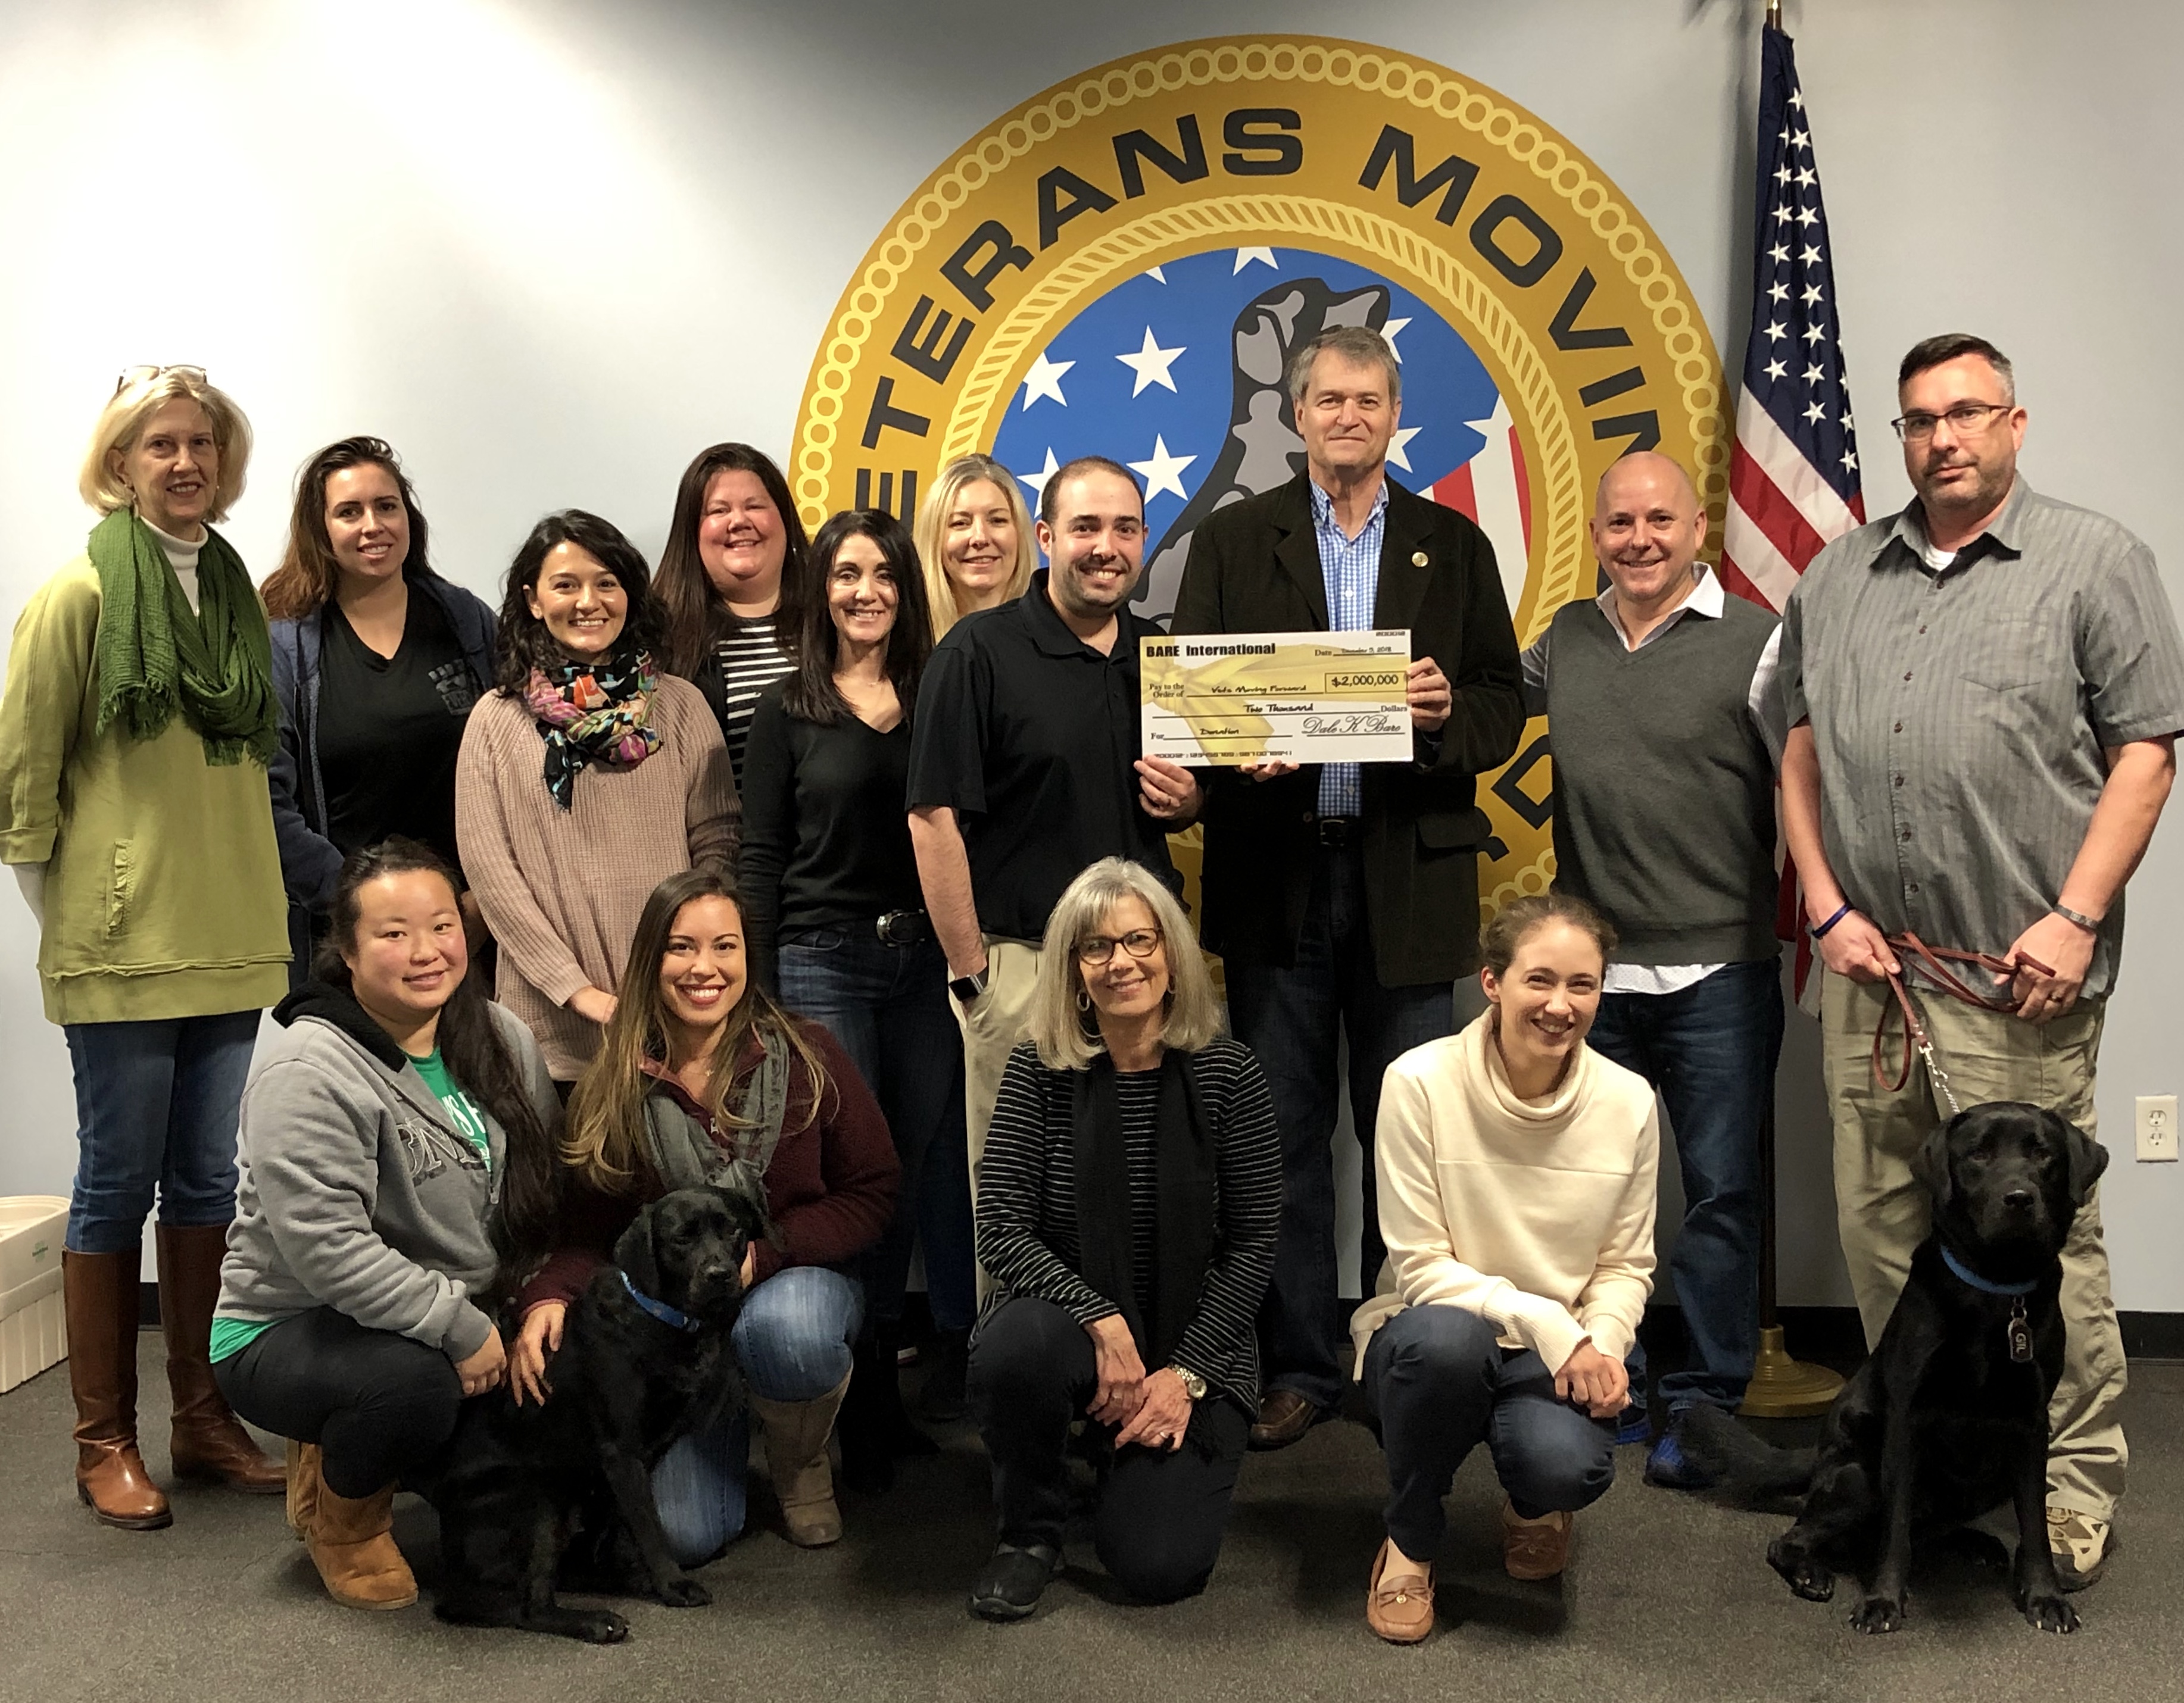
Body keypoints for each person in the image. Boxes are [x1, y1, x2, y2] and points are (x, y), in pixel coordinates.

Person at [1780, 332, 2184, 1592]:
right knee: (1885, 1236)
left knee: (2043, 1243)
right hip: (1870, 976)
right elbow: (1797, 746)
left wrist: (2075, 914)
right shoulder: (1838, 573)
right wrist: (1822, 903)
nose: (1940, 437)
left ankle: (2068, 1488)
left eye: (1964, 412)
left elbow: (2147, 750)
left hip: (2017, 982)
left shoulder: (2094, 561)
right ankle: (1929, 1474)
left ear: (2013, 422)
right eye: (1917, 419)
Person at [1170, 324, 1525, 1449]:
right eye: (1328, 399)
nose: (1348, 417)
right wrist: (1239, 753)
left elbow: (1502, 705)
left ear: (1394, 414)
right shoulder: (1233, 541)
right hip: (1277, 876)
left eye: (1368, 400)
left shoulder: (1451, 545)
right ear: (1297, 412)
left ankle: (1397, 1355)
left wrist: (1441, 716)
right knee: (1278, 1135)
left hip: (1406, 880)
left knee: (1407, 1137)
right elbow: (1197, 707)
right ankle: (1299, 1364)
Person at [0, 365, 289, 1528]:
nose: (184, 462)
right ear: (119, 462)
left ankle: (203, 1417)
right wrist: (76, 915)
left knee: (210, 1180)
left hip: (231, 929)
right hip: (121, 943)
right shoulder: (78, 595)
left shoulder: (235, 598)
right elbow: (24, 782)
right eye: (160, 444)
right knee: (116, 1183)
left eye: (201, 443)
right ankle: (102, 1438)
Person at [1520, 451, 1786, 1480]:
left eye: (1659, 520)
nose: (1639, 540)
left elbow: (1813, 781)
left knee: (1720, 1195)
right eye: (1620, 523)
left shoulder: (1759, 642)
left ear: (1697, 528)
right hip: (1592, 981)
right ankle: (1609, 1383)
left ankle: (1708, 1400)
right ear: (1595, 535)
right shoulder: (1565, 640)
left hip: (1721, 972)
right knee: (1588, 1196)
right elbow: (1474, 708)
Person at [212, 839, 560, 1611]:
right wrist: (459, 1328)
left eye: (441, 926)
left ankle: (384, 1439)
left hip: (445, 1311)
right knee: (412, 1391)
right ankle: (343, 1520)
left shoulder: (502, 1036)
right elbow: (330, 1253)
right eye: (393, 934)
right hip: (293, 1325)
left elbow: (541, 1190)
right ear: (347, 949)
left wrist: (539, 1300)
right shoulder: (309, 1068)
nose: (426, 951)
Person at [511, 869, 898, 1558]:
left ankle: (799, 1459)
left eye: (725, 946)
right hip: (675, 1328)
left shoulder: (808, 1054)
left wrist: (766, 1253)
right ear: (650, 960)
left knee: (788, 1333)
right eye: (681, 947)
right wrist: (547, 1294)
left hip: (790, 1282)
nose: (704, 967)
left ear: (749, 956)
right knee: (685, 1536)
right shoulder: (615, 1082)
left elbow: (872, 1190)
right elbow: (586, 1235)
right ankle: (724, 1420)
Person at [967, 858, 1281, 1620]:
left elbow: (1252, 1246)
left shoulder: (1230, 1073)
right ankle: (1029, 1531)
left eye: (1140, 939)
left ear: (1171, 955)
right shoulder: (1038, 1069)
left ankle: (1121, 1455)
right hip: (1075, 1333)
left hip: (1194, 1344)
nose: (1121, 962)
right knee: (1013, 1347)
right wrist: (1101, 1320)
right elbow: (999, 1224)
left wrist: (1184, 1373)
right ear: (1074, 971)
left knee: (1157, 1564)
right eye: (1096, 946)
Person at [1353, 893, 1655, 1642]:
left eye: (1581, 984)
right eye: (1538, 979)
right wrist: (1547, 1321)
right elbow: (1419, 1266)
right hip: (1434, 1330)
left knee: (1567, 1467)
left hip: (1559, 1348)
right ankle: (1409, 1539)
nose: (1559, 1005)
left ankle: (1531, 1499)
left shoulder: (1627, 1100)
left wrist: (1604, 1346)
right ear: (1492, 981)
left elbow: (1624, 1265)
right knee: (1445, 1345)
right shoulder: (1417, 1080)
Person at [739, 508, 975, 1460]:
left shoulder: (939, 694)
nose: (865, 591)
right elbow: (760, 855)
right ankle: (860, 1391)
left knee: (911, 1167)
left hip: (925, 964)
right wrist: (758, 991)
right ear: (822, 591)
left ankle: (891, 1366)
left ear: (906, 589)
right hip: (820, 960)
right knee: (847, 1170)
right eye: (846, 574)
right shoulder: (785, 709)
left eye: (883, 574)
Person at [909, 457, 1202, 1223]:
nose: (1105, 547)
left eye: (1124, 529)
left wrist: (1190, 798)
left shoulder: (1162, 656)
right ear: (1045, 537)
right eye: (1085, 528)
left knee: (1150, 1193)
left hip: (1145, 970)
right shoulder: (974, 652)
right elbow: (932, 818)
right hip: (1023, 967)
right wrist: (973, 977)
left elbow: (1189, 799)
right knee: (1020, 1205)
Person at [455, 509, 738, 1086]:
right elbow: (493, 876)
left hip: (672, 1017)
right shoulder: (495, 720)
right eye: (566, 585)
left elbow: (718, 845)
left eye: (606, 583)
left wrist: (681, 966)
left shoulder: (681, 706)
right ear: (534, 600)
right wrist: (577, 990)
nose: (589, 601)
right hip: (548, 1033)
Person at [261, 437, 496, 980]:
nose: (373, 525)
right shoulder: (285, 644)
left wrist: (484, 903)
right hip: (346, 939)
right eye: (349, 512)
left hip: (469, 931)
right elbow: (268, 802)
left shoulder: (466, 621)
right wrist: (358, 908)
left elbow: (521, 767)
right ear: (320, 529)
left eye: (386, 506)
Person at [654, 443, 811, 777]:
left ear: (785, 519)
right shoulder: (660, 638)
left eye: (755, 506)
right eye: (719, 511)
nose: (739, 521)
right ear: (691, 531)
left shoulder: (831, 621)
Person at [913, 452, 1038, 640]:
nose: (980, 537)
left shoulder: (1058, 635)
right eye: (960, 523)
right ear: (934, 538)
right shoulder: (906, 641)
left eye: (997, 520)